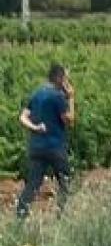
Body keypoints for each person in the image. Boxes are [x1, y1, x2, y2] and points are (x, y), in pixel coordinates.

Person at [16, 63, 76, 219]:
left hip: (36, 147)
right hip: (54, 147)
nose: (67, 82)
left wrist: (35, 128)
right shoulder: (58, 97)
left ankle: (20, 217)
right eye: (66, 78)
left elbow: (22, 117)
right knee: (65, 182)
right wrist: (71, 98)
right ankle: (62, 217)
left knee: (33, 184)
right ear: (59, 78)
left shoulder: (37, 94)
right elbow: (69, 121)